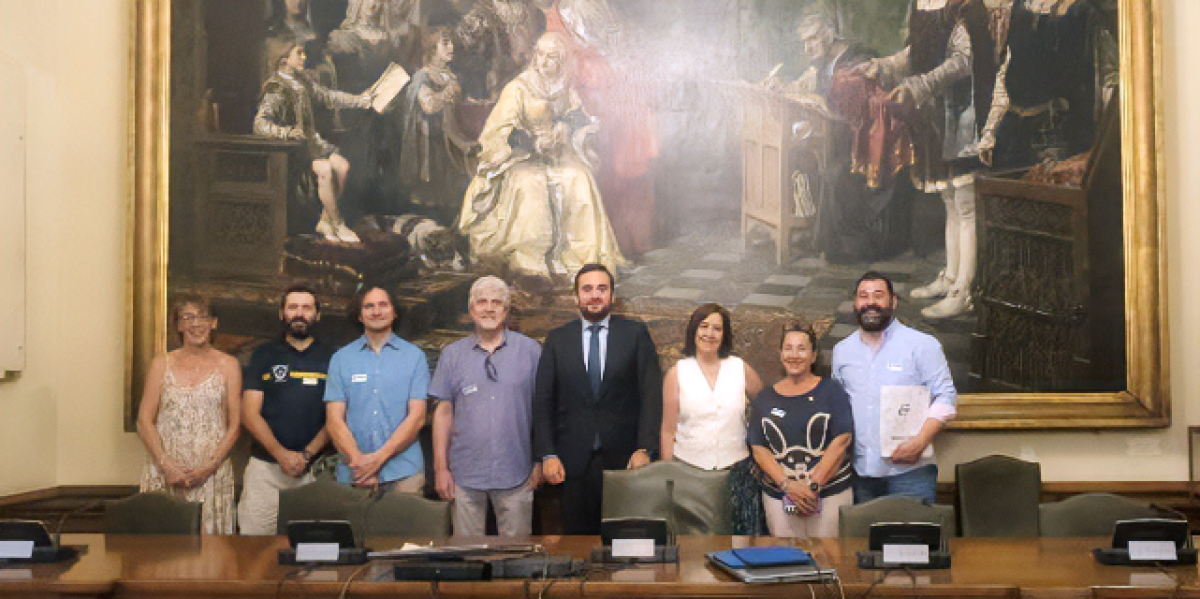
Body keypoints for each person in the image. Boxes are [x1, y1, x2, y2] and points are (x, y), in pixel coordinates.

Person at [859, 0, 999, 319]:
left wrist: (919, 85)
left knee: (965, 204)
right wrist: (884, 65)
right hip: (933, 118)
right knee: (950, 200)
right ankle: (951, 276)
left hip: (963, 114)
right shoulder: (920, 3)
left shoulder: (966, 6)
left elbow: (963, 61)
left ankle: (965, 288)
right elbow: (917, 52)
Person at [458, 33, 626, 285]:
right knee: (531, 183)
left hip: (556, 157)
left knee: (579, 178)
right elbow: (498, 131)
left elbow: (578, 115)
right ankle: (530, 263)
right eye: (541, 55)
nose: (544, 62)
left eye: (552, 58)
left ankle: (582, 259)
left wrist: (564, 129)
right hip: (520, 159)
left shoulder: (565, 88)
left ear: (561, 62)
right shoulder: (519, 87)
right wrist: (532, 142)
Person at [533, 263, 662, 534]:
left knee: (625, 546)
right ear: (577, 297)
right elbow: (543, 402)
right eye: (587, 289)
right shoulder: (558, 340)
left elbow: (651, 395)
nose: (595, 295)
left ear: (612, 296)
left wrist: (645, 448)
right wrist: (547, 453)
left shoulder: (635, 335)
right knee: (579, 545)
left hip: (625, 461)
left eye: (602, 289)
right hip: (571, 462)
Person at [430, 276, 543, 536]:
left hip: (518, 473)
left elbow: (543, 411)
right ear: (471, 310)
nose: (489, 308)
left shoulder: (530, 351)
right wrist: (440, 468)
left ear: (506, 310)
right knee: (468, 559)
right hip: (464, 475)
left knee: (515, 558)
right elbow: (443, 415)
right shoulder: (452, 355)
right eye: (481, 302)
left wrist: (540, 459)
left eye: (496, 302)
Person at [831, 272, 957, 504]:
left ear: (893, 301)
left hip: (911, 474)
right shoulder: (842, 351)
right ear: (855, 303)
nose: (870, 303)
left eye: (878, 296)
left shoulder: (922, 345)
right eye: (863, 296)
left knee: (912, 540)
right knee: (865, 540)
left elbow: (946, 396)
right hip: (860, 475)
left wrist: (920, 442)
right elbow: (838, 405)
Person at [137, 295, 241, 534]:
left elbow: (235, 425)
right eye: (188, 318)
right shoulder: (161, 363)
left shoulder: (229, 365)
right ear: (179, 326)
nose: (197, 324)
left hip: (210, 473)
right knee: (161, 555)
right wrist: (166, 465)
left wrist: (208, 467)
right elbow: (144, 420)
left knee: (210, 555)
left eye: (203, 317)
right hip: (164, 472)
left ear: (214, 323)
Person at [254, 38, 372, 243]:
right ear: (283, 59)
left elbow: (327, 96)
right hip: (293, 152)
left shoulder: (302, 81)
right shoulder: (275, 88)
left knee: (342, 167)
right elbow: (259, 124)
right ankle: (338, 223)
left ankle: (325, 220)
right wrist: (286, 132)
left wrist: (360, 101)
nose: (304, 57)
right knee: (326, 170)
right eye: (298, 53)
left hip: (312, 145)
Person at [660, 303, 764, 534]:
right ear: (694, 331)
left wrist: (759, 454)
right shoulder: (677, 373)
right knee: (694, 551)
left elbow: (765, 409)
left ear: (724, 334)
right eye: (704, 326)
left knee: (738, 545)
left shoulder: (740, 368)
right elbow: (668, 431)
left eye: (717, 328)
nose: (709, 333)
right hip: (689, 471)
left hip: (737, 473)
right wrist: (669, 476)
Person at [237, 285, 333, 535]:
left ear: (317, 315)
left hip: (315, 471)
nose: (299, 314)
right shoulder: (262, 355)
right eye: (293, 308)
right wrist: (281, 455)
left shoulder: (333, 358)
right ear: (282, 314)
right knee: (255, 551)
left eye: (306, 308)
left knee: (313, 554)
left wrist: (305, 455)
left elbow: (337, 417)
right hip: (265, 469)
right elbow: (249, 413)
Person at [749, 323, 854, 538]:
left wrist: (812, 487)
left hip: (829, 495)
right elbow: (759, 448)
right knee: (785, 562)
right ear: (780, 354)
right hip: (780, 497)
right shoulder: (765, 397)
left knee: (828, 560)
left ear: (813, 356)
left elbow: (842, 440)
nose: (794, 355)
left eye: (801, 348)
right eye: (788, 348)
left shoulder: (832, 391)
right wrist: (788, 485)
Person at [324, 285, 429, 493]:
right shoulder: (341, 359)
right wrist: (359, 462)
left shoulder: (415, 357)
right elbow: (334, 420)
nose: (376, 311)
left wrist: (378, 460)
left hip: (404, 474)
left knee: (402, 527)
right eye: (369, 306)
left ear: (394, 312)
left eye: (383, 305)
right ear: (360, 315)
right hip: (354, 473)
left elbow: (417, 417)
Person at [391, 27, 474, 226]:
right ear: (432, 47)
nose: (451, 47)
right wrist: (446, 94)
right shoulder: (423, 76)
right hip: (431, 146)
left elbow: (457, 105)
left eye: (451, 42)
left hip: (449, 141)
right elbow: (428, 105)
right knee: (431, 202)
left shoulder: (450, 75)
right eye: (445, 42)